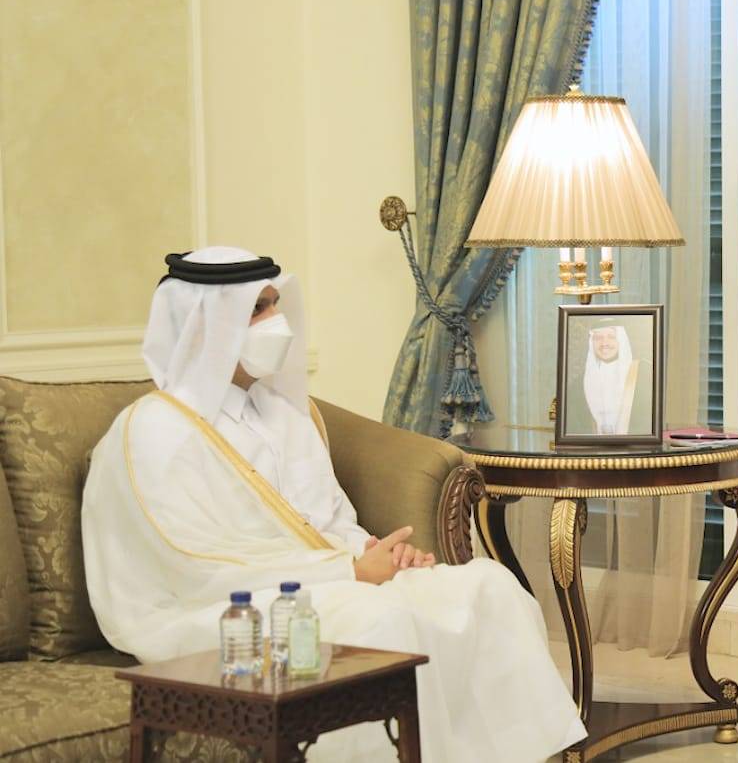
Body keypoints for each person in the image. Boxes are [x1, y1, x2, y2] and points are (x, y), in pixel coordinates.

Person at [82, 247, 586, 763]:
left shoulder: (284, 413)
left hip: (322, 577)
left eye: (275, 304)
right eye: (256, 309)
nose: (275, 322)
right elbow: (195, 566)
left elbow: (327, 520)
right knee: (376, 620)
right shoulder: (154, 430)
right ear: (203, 325)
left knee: (488, 586)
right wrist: (348, 572)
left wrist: (380, 555)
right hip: (214, 609)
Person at [568, 320, 652, 435]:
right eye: (598, 338)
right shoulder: (580, 383)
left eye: (611, 337)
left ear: (621, 339)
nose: (604, 343)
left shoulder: (645, 373)